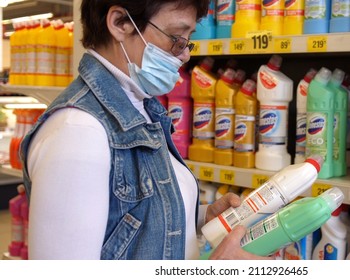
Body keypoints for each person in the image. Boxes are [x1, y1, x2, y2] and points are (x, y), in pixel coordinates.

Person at [20, 0, 273, 260]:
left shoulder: (139, 106)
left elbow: (122, 219)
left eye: (188, 40)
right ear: (120, 23)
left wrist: (197, 216)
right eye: (176, 38)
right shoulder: (78, 133)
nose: (185, 54)